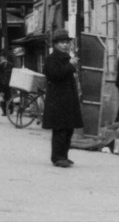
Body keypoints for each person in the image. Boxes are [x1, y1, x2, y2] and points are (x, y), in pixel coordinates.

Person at [42, 29, 83, 168]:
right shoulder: (51, 59)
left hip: (68, 99)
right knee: (60, 130)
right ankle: (57, 157)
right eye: (62, 43)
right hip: (58, 100)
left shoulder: (66, 57)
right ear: (55, 44)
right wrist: (71, 65)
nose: (65, 45)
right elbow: (55, 75)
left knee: (68, 129)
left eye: (67, 42)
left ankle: (64, 156)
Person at [0, 52, 13, 116]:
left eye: (2, 58)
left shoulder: (10, 64)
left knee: (8, 97)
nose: (1, 59)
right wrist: (0, 64)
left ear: (5, 58)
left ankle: (11, 109)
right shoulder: (0, 65)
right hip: (1, 83)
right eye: (0, 59)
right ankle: (4, 112)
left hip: (8, 83)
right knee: (1, 97)